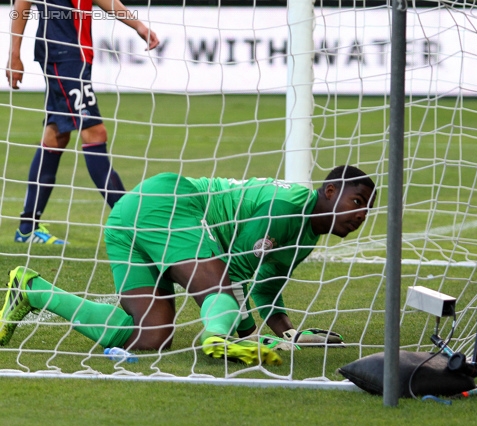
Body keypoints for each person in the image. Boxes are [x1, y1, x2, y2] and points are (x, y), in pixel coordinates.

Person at [0, 165, 376, 366]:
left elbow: (265, 288)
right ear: (330, 191)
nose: (360, 215)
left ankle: (32, 289)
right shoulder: (285, 209)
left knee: (151, 336)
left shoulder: (306, 235)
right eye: (356, 201)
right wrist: (242, 335)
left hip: (127, 219)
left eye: (366, 209)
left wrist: (288, 333)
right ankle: (216, 339)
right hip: (170, 202)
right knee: (220, 289)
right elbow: (236, 277)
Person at [6, 0, 160, 244]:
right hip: (62, 55)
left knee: (56, 136)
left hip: (76, 57)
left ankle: (27, 229)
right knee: (95, 133)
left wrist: (138, 26)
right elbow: (21, 4)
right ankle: (133, 225)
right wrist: (14, 55)